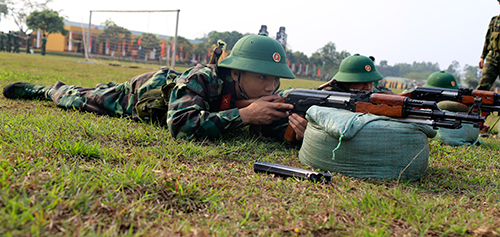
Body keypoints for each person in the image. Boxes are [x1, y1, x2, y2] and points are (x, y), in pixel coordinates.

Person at [3, 33, 308, 142]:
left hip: (172, 93)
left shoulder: (259, 95)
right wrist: (245, 116)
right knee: (80, 98)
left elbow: (268, 127)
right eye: (263, 77)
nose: (271, 85)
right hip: (141, 93)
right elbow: (180, 125)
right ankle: (44, 90)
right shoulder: (202, 77)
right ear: (237, 73)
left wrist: (296, 131)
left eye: (275, 78)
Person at [317, 53, 384, 92]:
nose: (368, 87)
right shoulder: (330, 96)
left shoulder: (373, 93)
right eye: (363, 82)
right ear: (345, 83)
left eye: (370, 82)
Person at [478, 2, 500, 91]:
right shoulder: (494, 21)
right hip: (492, 58)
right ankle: (476, 105)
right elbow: (487, 39)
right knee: (482, 88)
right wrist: (482, 57)